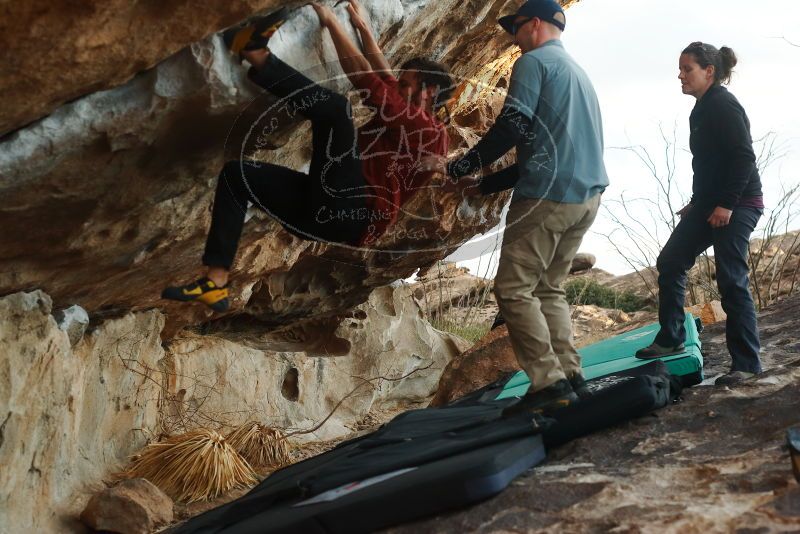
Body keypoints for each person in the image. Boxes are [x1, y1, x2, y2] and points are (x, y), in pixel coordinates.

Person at [162, 1, 452, 312]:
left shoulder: (431, 131)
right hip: (321, 218)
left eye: (408, 84)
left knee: (337, 110)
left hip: (353, 209)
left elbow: (366, 80)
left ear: (429, 92)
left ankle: (257, 53)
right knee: (237, 176)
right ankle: (215, 281)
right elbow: (386, 77)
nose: (399, 86)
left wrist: (330, 21)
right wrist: (365, 31)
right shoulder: (411, 115)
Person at [423, 0, 608, 413]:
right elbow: (543, 149)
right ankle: (571, 375)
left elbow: (513, 125)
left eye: (517, 28)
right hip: (585, 199)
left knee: (512, 289)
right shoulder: (578, 75)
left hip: (547, 197)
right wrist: (484, 182)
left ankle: (548, 384)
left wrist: (457, 166)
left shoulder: (534, 63)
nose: (514, 37)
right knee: (548, 289)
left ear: (535, 25)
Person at [635, 42, 763, 386]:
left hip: (740, 203)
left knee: (731, 280)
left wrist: (727, 204)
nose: (680, 75)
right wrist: (699, 201)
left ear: (709, 71)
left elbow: (743, 158)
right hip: (710, 203)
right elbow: (706, 165)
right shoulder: (701, 108)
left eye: (686, 68)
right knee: (672, 260)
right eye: (680, 69)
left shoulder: (723, 104)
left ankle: (747, 365)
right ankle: (671, 336)